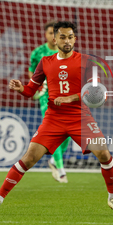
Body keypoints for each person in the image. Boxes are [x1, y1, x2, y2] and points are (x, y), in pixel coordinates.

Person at [0, 21, 113, 217]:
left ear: (75, 39)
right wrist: (21, 89)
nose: (67, 41)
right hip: (53, 119)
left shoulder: (85, 61)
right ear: (54, 39)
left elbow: (97, 92)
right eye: (62, 37)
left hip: (79, 117)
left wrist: (71, 97)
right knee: (29, 158)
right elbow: (32, 90)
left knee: (103, 153)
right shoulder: (45, 62)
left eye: (70, 37)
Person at [28, 20, 71, 183]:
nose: (53, 36)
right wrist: (35, 88)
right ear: (46, 35)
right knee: (56, 131)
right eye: (50, 33)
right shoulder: (38, 52)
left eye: (56, 33)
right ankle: (60, 169)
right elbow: (32, 72)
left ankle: (53, 161)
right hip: (47, 98)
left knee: (67, 133)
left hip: (65, 96)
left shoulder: (66, 51)